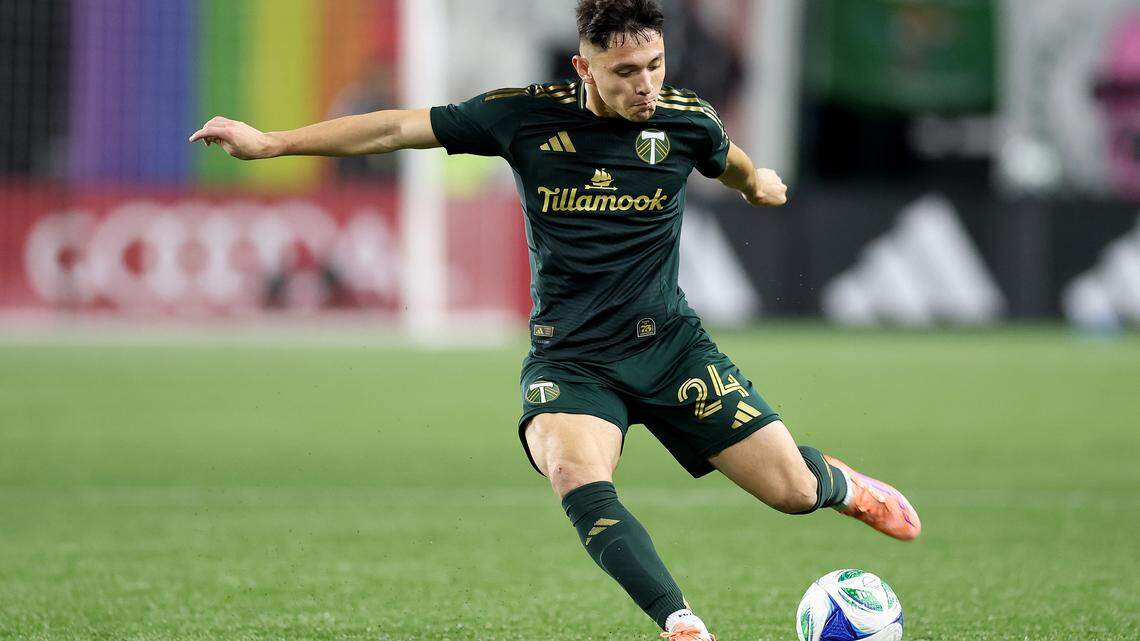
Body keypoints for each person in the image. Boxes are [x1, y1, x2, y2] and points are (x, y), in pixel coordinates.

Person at [189, 1, 921, 639]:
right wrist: (273, 142)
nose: (645, 85)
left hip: (671, 349)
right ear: (584, 67)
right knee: (574, 468)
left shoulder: (684, 119)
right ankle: (681, 620)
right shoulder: (522, 115)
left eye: (655, 65)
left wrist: (757, 180)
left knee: (791, 493)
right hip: (571, 361)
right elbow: (394, 130)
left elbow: (725, 158)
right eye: (626, 71)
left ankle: (839, 483)